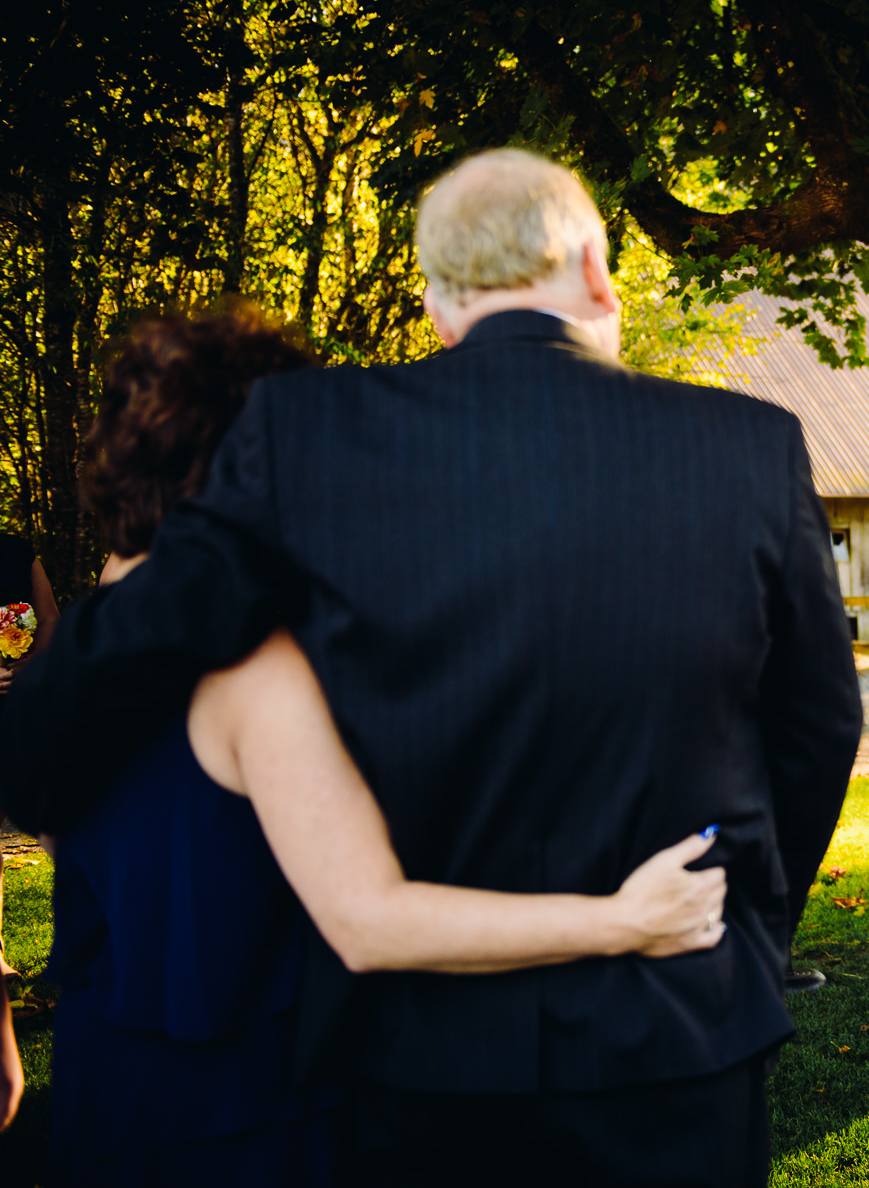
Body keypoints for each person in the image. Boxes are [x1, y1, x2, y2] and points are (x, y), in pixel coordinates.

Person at [0, 148, 861, 1185]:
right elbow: (819, 729)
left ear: (440, 304)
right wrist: (744, 935)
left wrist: (36, 765)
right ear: (596, 266)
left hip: (414, 1055)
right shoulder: (751, 447)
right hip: (677, 1029)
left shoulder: (311, 436)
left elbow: (137, 633)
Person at [38, 308, 729, 1183]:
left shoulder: (76, 644)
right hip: (253, 1114)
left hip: (109, 1091)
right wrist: (624, 921)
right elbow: (366, 921)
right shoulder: (252, 667)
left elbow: (72, 837)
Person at [0, 530, 58, 984]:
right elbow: (52, 615)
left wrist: (29, 664)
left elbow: (49, 616)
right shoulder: (16, 548)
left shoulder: (18, 550)